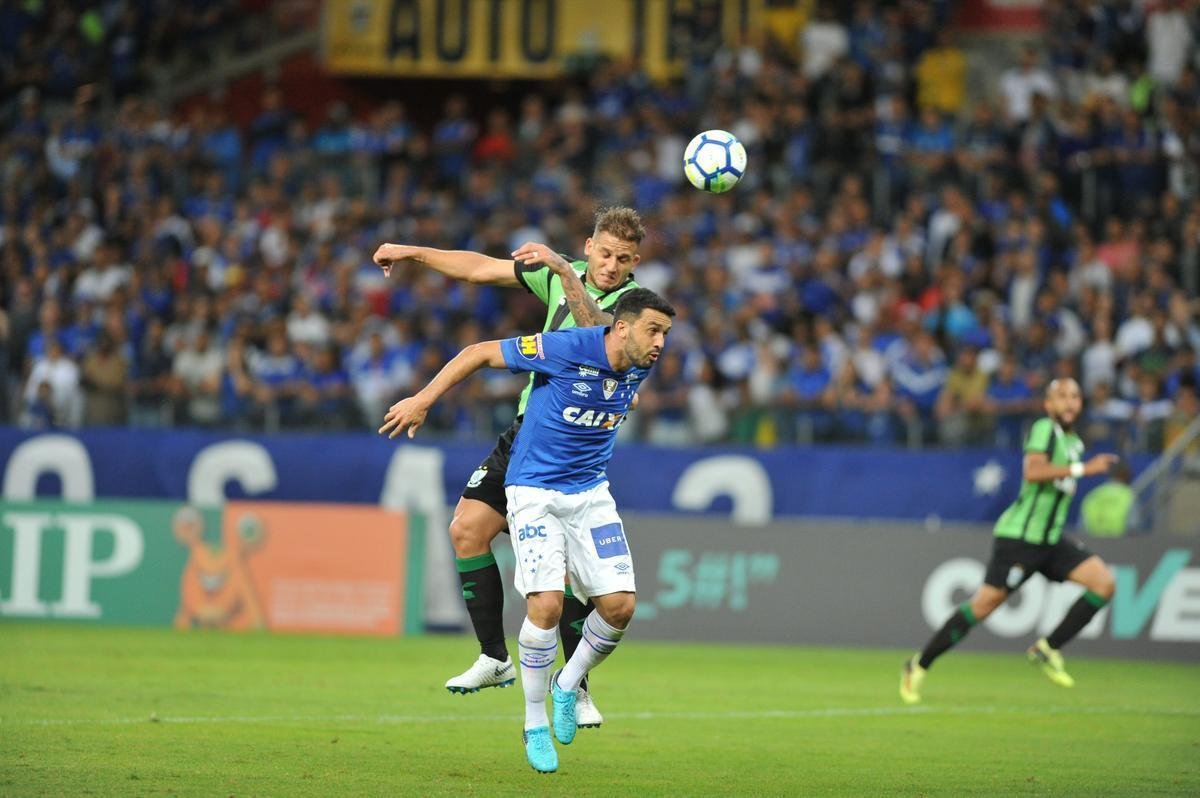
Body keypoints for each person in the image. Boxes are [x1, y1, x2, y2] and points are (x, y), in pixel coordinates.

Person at [379, 288, 674, 773]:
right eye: (653, 330)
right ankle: (534, 722)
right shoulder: (565, 348)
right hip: (534, 490)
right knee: (546, 603)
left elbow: (624, 384)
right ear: (622, 326)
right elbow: (478, 353)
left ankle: (567, 683)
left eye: (665, 333)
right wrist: (423, 399)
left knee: (620, 606)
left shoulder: (638, 361)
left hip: (590, 494)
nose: (661, 342)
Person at [372, 207, 644, 726]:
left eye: (623, 258)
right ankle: (495, 658)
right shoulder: (555, 271)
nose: (611, 266)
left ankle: (576, 686)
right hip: (525, 431)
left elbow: (602, 346)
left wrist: (566, 274)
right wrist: (415, 253)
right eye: (605, 253)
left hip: (572, 444)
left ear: (636, 261)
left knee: (556, 575)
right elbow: (479, 268)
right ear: (589, 246)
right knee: (467, 530)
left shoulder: (633, 306)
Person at [900, 378, 1119, 704]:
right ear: (1048, 405)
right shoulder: (1046, 429)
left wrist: (1078, 466)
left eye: (1075, 396)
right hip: (1019, 539)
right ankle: (918, 664)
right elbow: (1033, 471)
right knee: (983, 606)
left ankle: (1048, 648)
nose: (1069, 402)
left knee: (1104, 583)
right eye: (1061, 396)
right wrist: (1083, 470)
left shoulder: (1074, 442)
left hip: (1050, 540)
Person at [1080, 460, 1139, 537]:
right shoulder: (1129, 496)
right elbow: (1133, 526)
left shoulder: (1095, 493)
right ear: (1128, 477)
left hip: (1092, 541)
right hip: (1119, 543)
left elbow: (1082, 523)